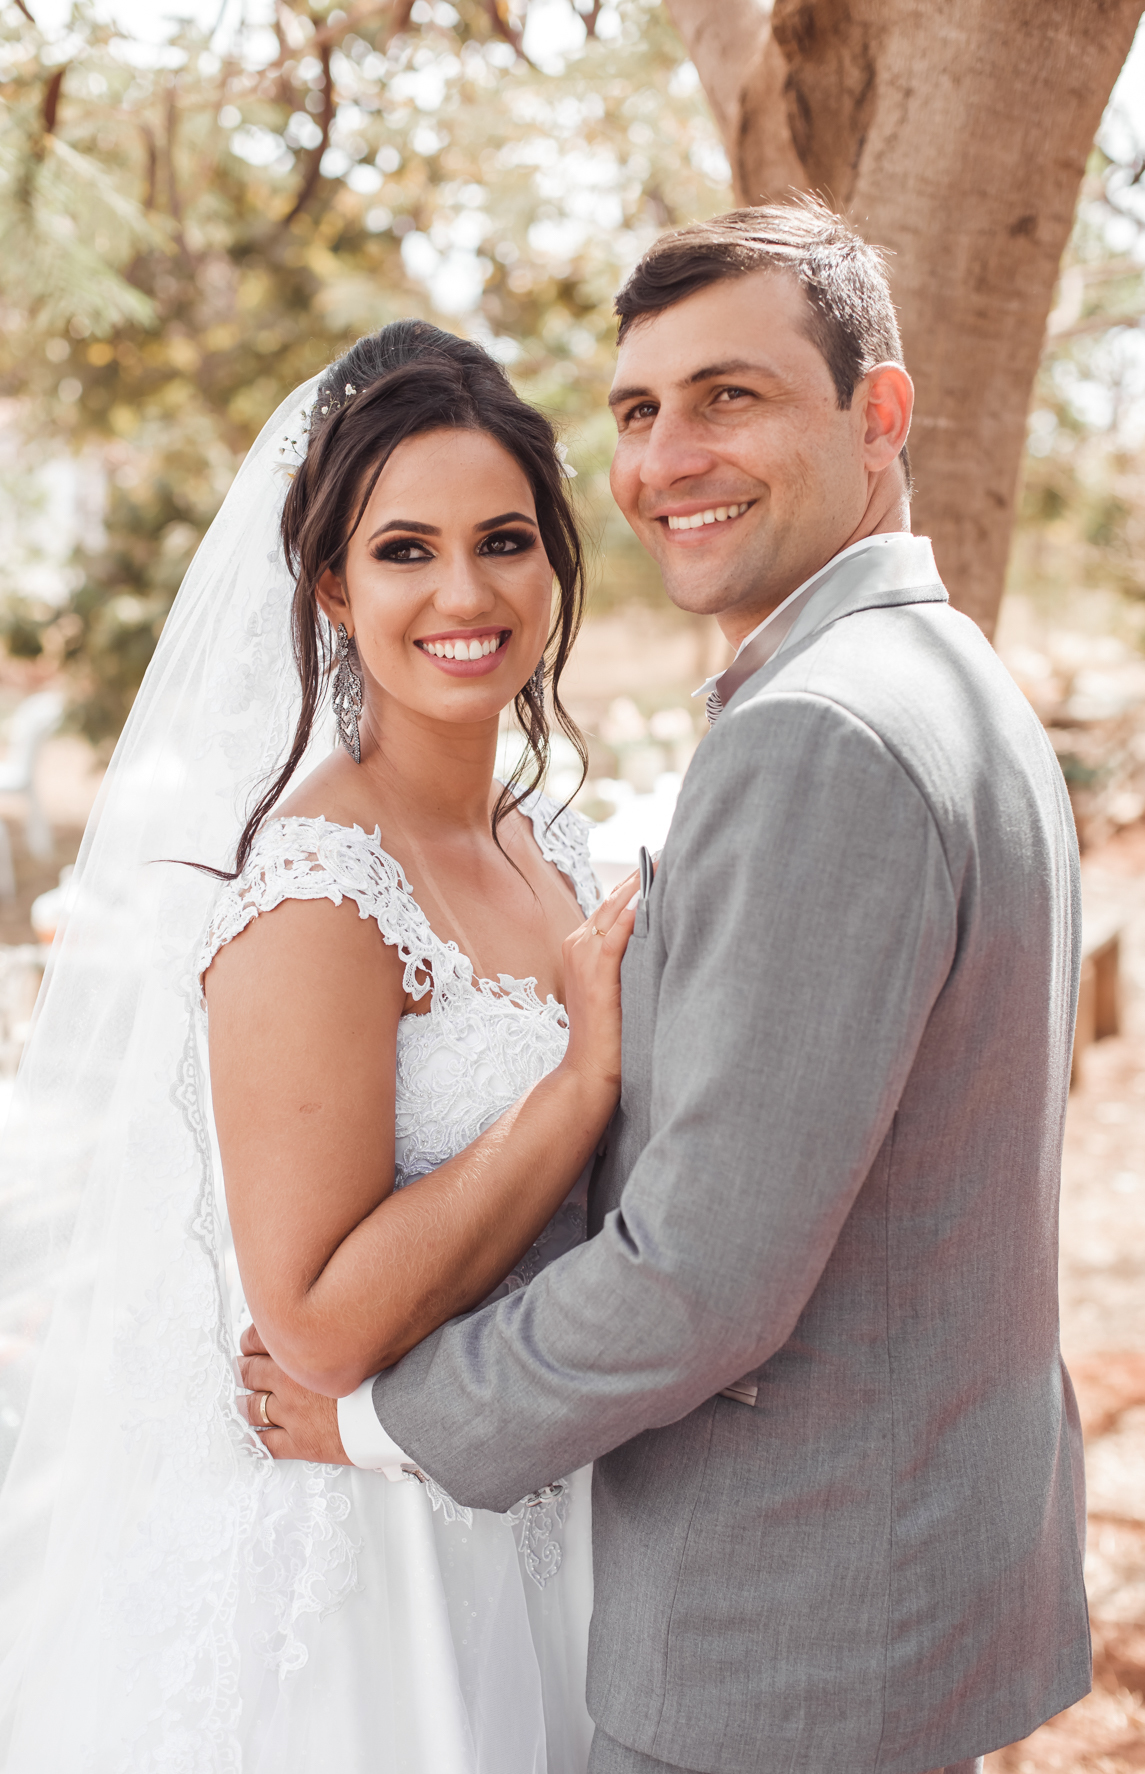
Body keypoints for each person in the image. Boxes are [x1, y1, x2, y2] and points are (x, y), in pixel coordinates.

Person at [252, 203, 1091, 1774]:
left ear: (879, 413)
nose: (667, 457)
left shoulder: (818, 733)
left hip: (778, 1632)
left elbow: (702, 1276)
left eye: (729, 396)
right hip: (880, 1589)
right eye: (639, 410)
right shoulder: (956, 678)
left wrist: (379, 1424)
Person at [0, 320, 639, 1772]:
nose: (465, 592)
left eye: (505, 540)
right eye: (405, 550)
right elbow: (318, 1327)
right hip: (376, 1571)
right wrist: (581, 1080)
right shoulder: (315, 890)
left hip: (542, 1497)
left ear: (554, 562)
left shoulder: (547, 843)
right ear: (332, 588)